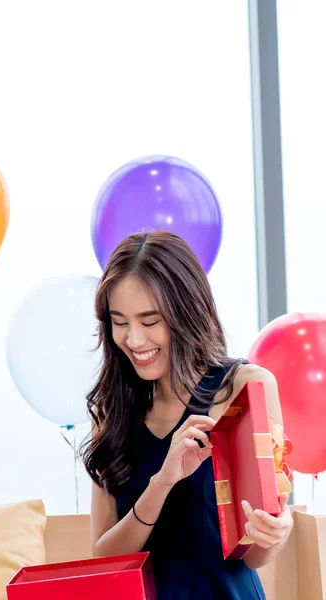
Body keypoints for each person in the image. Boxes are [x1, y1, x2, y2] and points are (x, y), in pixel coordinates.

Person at [81, 230, 293, 599]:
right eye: (120, 322)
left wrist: (274, 532)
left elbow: (255, 556)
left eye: (149, 322)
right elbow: (106, 557)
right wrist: (162, 482)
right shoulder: (112, 409)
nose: (133, 340)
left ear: (186, 312)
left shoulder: (245, 388)